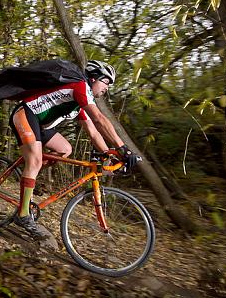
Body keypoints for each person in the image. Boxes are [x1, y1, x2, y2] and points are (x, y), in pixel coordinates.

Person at [8, 60, 139, 239]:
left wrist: (110, 154)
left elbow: (93, 132)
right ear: (93, 79)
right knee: (36, 160)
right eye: (106, 81)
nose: (107, 87)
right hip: (25, 114)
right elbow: (100, 119)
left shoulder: (81, 102)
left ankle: (29, 175)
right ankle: (22, 215)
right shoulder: (79, 86)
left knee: (65, 149)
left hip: (41, 125)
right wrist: (123, 148)